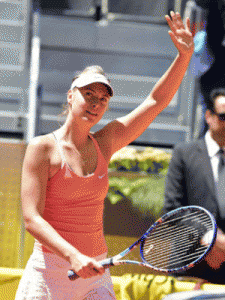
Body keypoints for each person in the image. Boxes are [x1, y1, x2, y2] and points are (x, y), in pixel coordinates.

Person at [15, 11, 194, 300]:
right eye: (88, 93)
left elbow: (156, 101)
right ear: (71, 95)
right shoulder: (42, 148)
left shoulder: (106, 140)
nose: (96, 102)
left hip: (95, 272)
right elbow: (31, 219)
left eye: (103, 98)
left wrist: (183, 57)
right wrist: (73, 256)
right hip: (50, 274)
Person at [163, 88, 225, 285]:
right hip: (190, 264)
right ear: (209, 116)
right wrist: (211, 239)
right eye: (223, 116)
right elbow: (173, 209)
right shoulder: (185, 154)